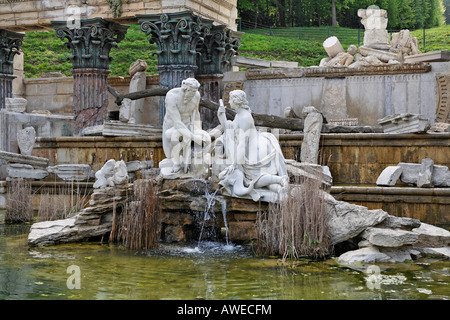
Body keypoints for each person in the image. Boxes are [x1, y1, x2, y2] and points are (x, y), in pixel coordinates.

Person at [216, 90, 288, 202]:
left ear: (236, 101)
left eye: (231, 99)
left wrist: (234, 164)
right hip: (248, 148)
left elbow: (242, 145)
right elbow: (231, 129)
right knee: (258, 183)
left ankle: (279, 179)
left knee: (254, 180)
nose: (229, 102)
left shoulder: (244, 117)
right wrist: (221, 116)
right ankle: (279, 188)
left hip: (253, 150)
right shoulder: (239, 114)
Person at [161, 78, 211, 174]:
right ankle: (177, 162)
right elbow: (177, 122)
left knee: (203, 136)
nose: (193, 95)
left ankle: (191, 159)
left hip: (189, 125)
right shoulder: (171, 97)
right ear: (184, 90)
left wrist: (197, 131)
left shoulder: (196, 95)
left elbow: (196, 114)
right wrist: (193, 137)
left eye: (194, 93)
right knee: (171, 136)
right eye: (190, 92)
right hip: (173, 126)